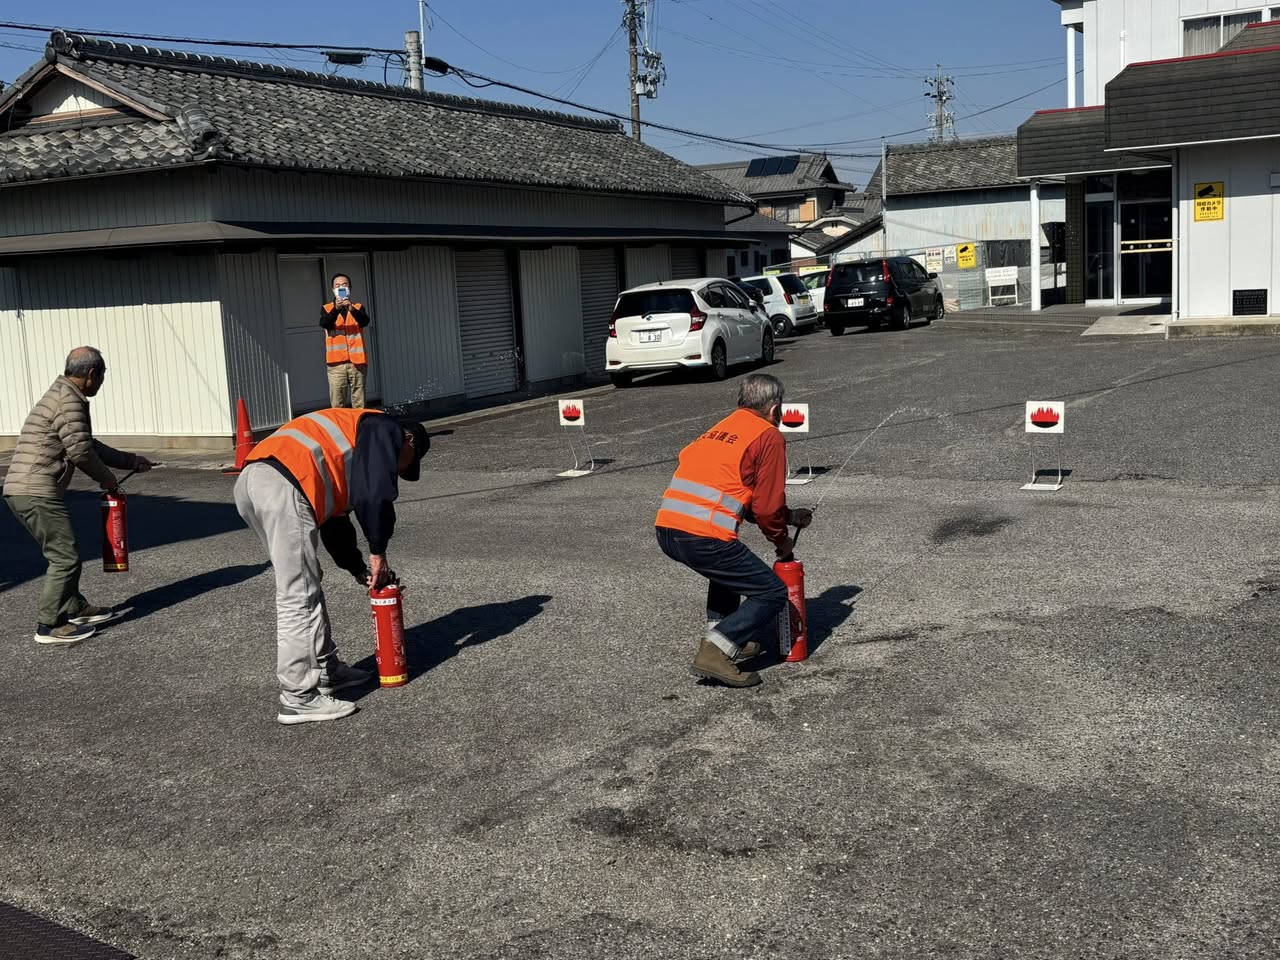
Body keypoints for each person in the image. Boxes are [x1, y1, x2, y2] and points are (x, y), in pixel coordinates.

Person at [234, 407, 430, 725]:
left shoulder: (349, 448)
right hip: (284, 483)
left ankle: (326, 669)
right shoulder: (383, 427)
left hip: (259, 480)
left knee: (306, 581)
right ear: (408, 440)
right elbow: (375, 494)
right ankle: (298, 697)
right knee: (297, 592)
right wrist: (378, 551)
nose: (398, 471)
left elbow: (336, 523)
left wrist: (357, 568)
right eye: (407, 463)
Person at [655, 373, 813, 688]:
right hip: (703, 536)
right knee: (772, 591)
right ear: (775, 409)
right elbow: (766, 509)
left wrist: (789, 516)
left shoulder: (721, 427)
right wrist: (781, 543)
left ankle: (728, 636)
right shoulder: (767, 435)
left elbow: (738, 493)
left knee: (727, 572)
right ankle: (717, 648)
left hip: (669, 529)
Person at [3, 347, 155, 643]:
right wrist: (109, 481)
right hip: (35, 491)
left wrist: (131, 460)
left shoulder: (63, 394)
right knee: (65, 557)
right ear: (91, 374)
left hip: (28, 489)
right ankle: (49, 625)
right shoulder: (68, 400)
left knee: (64, 552)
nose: (101, 382)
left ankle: (74, 606)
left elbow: (89, 445)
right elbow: (81, 452)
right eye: (102, 376)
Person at [320, 274, 371, 409]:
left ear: (350, 288)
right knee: (337, 404)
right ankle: (340, 430)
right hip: (336, 364)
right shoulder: (327, 308)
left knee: (359, 402)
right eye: (337, 286)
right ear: (333, 290)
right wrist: (336, 308)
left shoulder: (358, 307)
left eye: (344, 285)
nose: (341, 287)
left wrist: (351, 308)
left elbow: (364, 321)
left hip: (358, 362)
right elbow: (325, 323)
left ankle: (359, 429)